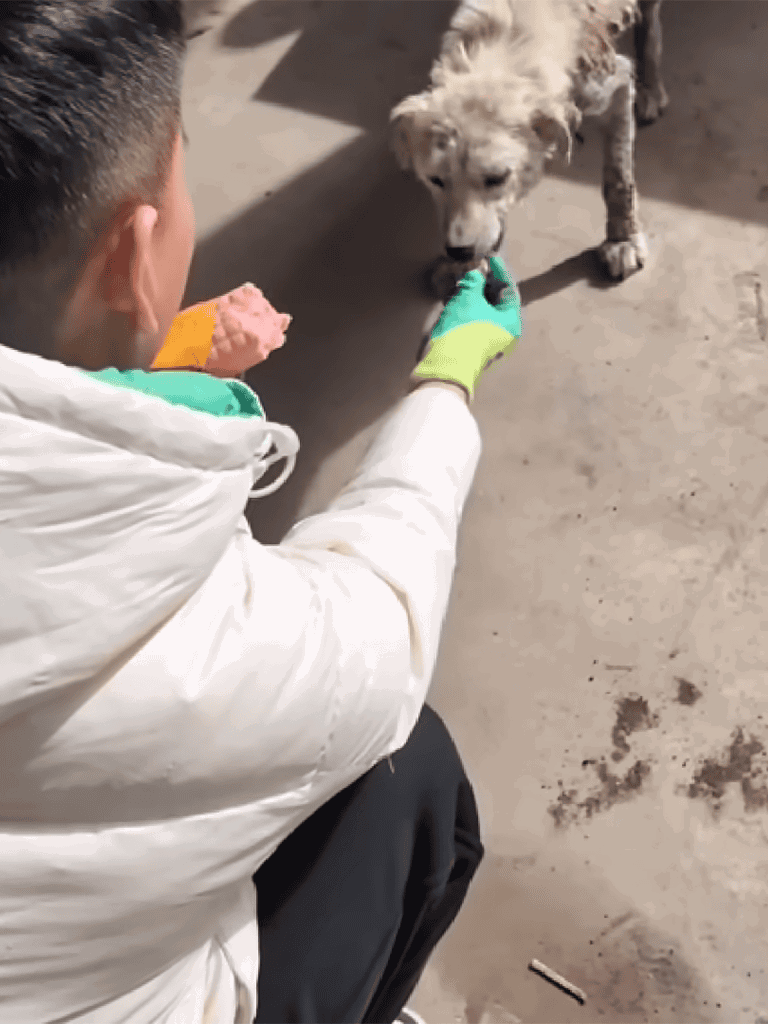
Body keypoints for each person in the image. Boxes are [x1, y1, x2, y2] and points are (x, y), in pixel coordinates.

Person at [0, 2, 523, 1022]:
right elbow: (379, 623)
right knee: (407, 765)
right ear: (135, 250)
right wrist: (449, 375)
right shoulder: (193, 640)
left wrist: (129, 365)